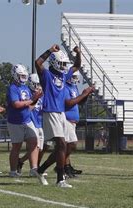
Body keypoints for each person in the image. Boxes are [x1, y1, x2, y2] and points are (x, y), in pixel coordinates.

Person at [34, 44, 81, 188]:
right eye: (61, 63)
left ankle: (41, 170)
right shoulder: (47, 75)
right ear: (53, 62)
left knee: (68, 145)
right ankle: (60, 179)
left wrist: (78, 53)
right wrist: (50, 50)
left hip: (61, 113)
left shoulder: (63, 75)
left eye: (64, 63)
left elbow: (77, 66)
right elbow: (38, 63)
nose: (63, 66)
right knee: (60, 144)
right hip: (50, 111)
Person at [6, 64, 45, 184]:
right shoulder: (12, 88)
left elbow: (29, 106)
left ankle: (34, 168)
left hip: (27, 120)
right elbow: (16, 104)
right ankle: (13, 170)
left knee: (34, 142)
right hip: (15, 122)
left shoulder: (26, 88)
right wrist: (32, 99)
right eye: (21, 75)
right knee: (16, 147)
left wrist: (37, 99)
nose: (23, 78)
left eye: (24, 75)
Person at [17, 73, 48, 184]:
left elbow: (44, 107)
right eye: (35, 84)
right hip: (32, 123)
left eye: (39, 84)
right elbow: (28, 109)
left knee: (39, 149)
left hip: (40, 123)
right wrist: (34, 99)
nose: (37, 86)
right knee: (35, 147)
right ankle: (33, 169)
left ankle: (21, 161)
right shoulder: (29, 94)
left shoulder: (42, 94)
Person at [64, 71, 95, 178]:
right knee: (71, 144)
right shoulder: (64, 87)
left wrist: (86, 95)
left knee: (68, 145)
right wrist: (83, 94)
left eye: (76, 76)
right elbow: (69, 102)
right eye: (73, 76)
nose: (75, 78)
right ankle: (63, 166)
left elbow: (79, 101)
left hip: (72, 120)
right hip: (66, 119)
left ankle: (66, 166)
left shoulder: (73, 87)